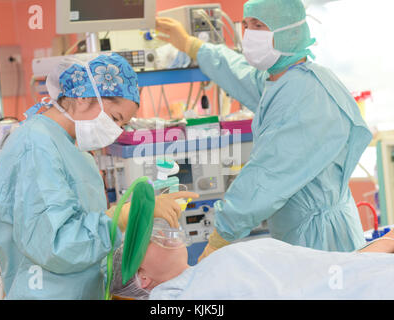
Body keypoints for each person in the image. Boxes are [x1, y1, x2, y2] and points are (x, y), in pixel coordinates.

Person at [156, 0, 373, 257]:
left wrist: (221, 234)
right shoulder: (280, 80)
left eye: (259, 26)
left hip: (320, 239)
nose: (249, 35)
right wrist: (193, 46)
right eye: (246, 26)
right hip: (297, 231)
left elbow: (266, 175)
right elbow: (240, 73)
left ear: (290, 32)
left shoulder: (307, 93)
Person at [0, 53, 197, 300]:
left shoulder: (79, 155)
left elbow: (91, 250)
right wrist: (122, 217)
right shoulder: (36, 145)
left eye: (122, 125)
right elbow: (55, 247)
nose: (116, 131)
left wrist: (139, 235)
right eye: (115, 118)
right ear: (85, 96)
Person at [111, 214, 394, 300]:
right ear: (142, 277)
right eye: (144, 243)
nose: (158, 234)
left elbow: (336, 271)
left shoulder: (203, 273)